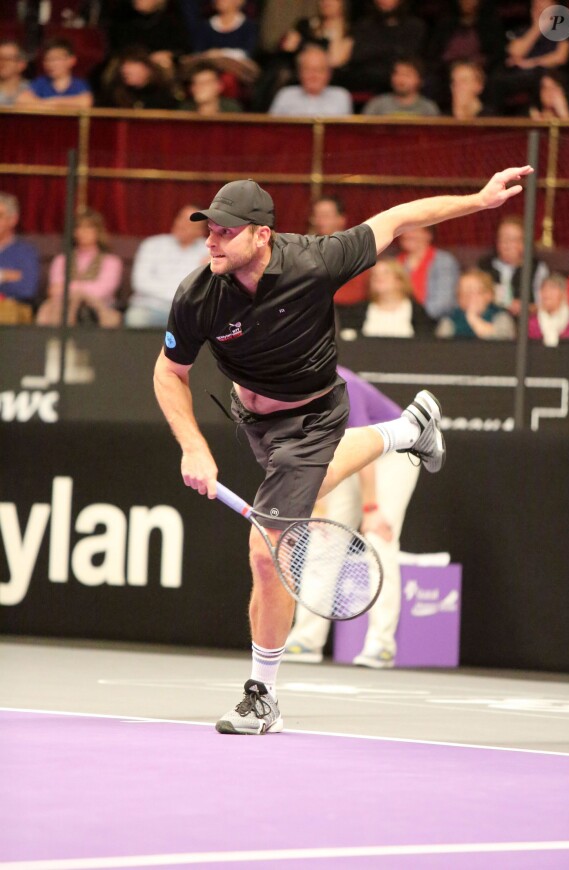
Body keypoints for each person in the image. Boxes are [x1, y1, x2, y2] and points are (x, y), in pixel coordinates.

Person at [153, 165, 532, 735]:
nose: (211, 239)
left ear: (263, 235)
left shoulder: (318, 259)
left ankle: (263, 696)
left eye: (225, 231)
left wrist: (479, 201)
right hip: (253, 421)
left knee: (266, 549)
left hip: (311, 418)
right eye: (208, 228)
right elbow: (169, 372)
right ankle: (405, 433)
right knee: (295, 500)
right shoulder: (199, 294)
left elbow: (401, 218)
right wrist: (192, 447)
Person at [285, 365, 420, 668]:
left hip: (392, 451)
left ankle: (381, 644)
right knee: (324, 536)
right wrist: (318, 510)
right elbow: (311, 454)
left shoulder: (338, 385)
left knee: (378, 538)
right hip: (349, 455)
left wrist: (371, 509)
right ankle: (306, 640)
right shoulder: (290, 392)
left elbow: (366, 446)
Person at [36, 207, 123, 327]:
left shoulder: (111, 261)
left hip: (98, 310)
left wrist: (74, 289)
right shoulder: (61, 260)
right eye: (79, 227)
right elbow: (54, 290)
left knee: (77, 301)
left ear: (99, 231)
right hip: (61, 308)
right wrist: (79, 291)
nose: (83, 231)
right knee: (56, 306)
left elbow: (102, 291)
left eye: (89, 227)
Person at [125, 205, 208, 327]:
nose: (182, 224)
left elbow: (202, 289)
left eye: (190, 221)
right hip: (150, 307)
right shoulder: (152, 244)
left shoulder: (209, 250)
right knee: (136, 318)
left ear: (201, 231)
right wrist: (178, 294)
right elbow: (141, 283)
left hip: (188, 311)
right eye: (180, 218)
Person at [488, 0, 569, 116]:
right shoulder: (521, 31)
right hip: (520, 75)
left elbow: (560, 57)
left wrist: (531, 63)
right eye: (537, 9)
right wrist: (537, 29)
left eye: (544, 10)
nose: (540, 13)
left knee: (542, 79)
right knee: (497, 78)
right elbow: (515, 52)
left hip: (546, 73)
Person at [339, 257, 434, 337]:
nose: (378, 277)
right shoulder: (357, 312)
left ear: (399, 281)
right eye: (374, 275)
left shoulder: (417, 312)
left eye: (385, 273)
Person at [477, 214, 549, 316]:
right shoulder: (484, 266)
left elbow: (545, 304)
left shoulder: (537, 268)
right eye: (503, 239)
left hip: (525, 322)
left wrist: (527, 307)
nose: (506, 244)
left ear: (524, 243)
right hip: (490, 322)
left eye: (513, 240)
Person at [309, 195, 368, 308]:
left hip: (349, 312)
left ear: (341, 219)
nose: (320, 221)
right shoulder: (306, 249)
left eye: (326, 216)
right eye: (316, 216)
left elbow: (358, 292)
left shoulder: (355, 250)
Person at [269, 43, 352, 116]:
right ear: (299, 72)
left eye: (319, 70)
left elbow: (346, 132)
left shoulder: (341, 97)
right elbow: (270, 130)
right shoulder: (285, 95)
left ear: (329, 73)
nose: (313, 76)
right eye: (308, 69)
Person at [396, 226, 460, 320]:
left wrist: (416, 318)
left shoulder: (443, 261)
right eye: (403, 231)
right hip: (400, 320)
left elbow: (444, 302)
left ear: (428, 235)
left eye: (414, 230)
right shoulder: (395, 263)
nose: (407, 235)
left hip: (434, 322)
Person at [435, 268, 516, 340]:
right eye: (462, 292)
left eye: (472, 291)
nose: (467, 296)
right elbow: (440, 348)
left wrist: (473, 318)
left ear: (488, 295)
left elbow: (502, 344)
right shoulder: (450, 319)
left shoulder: (501, 316)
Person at [15, 37, 93, 109]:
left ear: (71, 60)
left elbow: (85, 102)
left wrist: (52, 102)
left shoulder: (78, 83)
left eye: (56, 59)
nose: (51, 64)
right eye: (47, 59)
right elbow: (22, 101)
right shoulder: (41, 82)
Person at [0, 192, 40, 317]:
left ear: (13, 220)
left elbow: (27, 289)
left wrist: (1, 276)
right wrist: (8, 275)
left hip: (12, 309)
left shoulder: (25, 252)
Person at [99, 49, 179, 109]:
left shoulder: (163, 96)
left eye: (131, 63)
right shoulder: (115, 96)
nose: (125, 69)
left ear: (148, 68)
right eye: (123, 64)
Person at [362, 57, 440, 118]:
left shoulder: (428, 108)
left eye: (407, 74)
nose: (400, 79)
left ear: (420, 80)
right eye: (397, 73)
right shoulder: (377, 105)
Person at [527, 273, 569, 346]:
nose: (547, 293)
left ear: (564, 293)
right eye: (544, 289)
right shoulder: (531, 323)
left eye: (552, 288)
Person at [0, 40, 30, 106]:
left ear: (21, 64)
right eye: (0, 58)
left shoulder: (33, 89)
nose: (2, 63)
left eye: (8, 59)